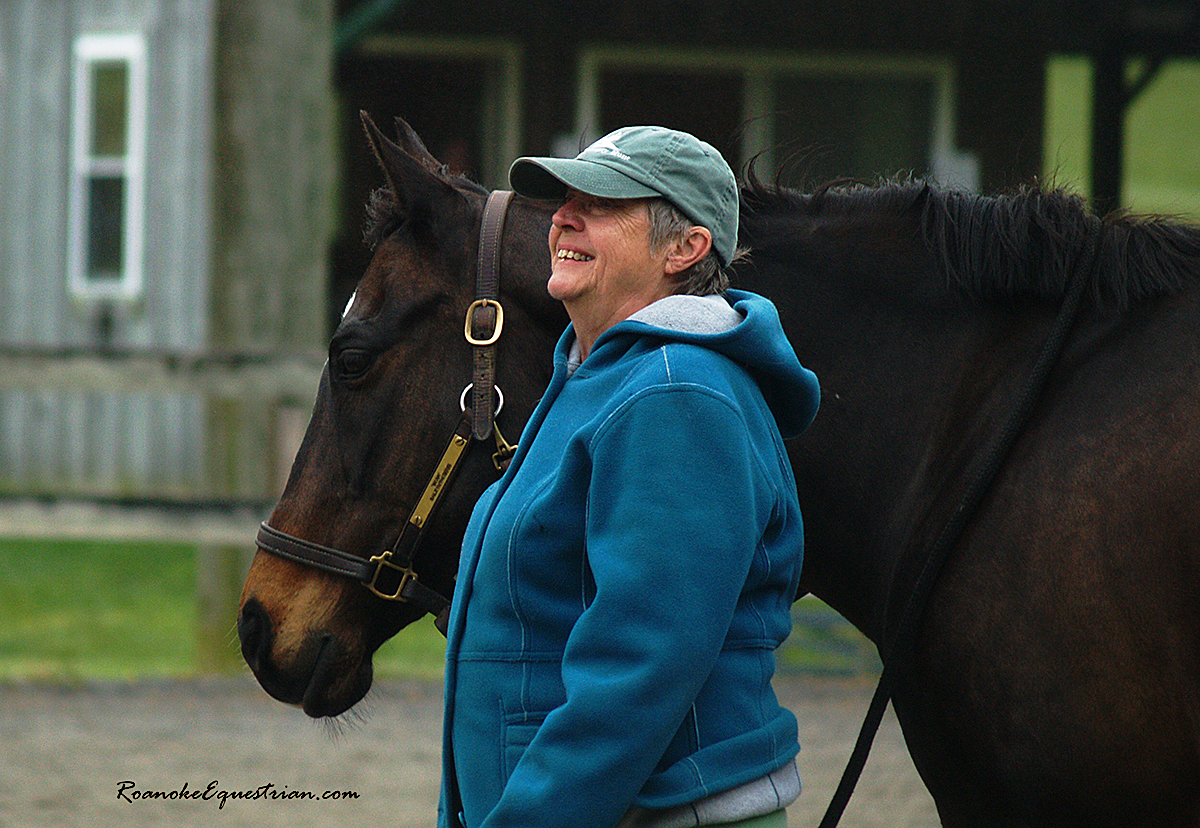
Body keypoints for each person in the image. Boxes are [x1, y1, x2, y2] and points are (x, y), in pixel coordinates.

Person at [438, 125, 821, 828]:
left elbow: (642, 660)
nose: (564, 216)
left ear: (685, 248)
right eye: (565, 200)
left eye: (603, 204)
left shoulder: (676, 391)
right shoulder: (597, 378)